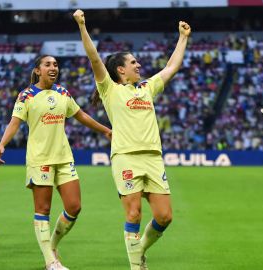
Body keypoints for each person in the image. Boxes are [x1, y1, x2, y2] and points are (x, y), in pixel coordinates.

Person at [74, 9, 191, 269]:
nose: (139, 65)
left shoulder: (147, 88)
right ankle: (136, 266)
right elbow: (94, 59)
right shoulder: (110, 89)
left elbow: (171, 67)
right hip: (126, 157)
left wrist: (182, 38)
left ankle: (139, 250)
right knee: (134, 213)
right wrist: (82, 26)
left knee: (165, 216)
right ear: (120, 70)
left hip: (153, 158)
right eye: (134, 62)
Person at [0, 55, 111, 270]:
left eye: (55, 65)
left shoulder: (62, 92)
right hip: (40, 159)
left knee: (74, 207)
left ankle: (53, 247)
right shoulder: (27, 95)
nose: (53, 68)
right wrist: (3, 143)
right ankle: (50, 262)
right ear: (37, 70)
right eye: (47, 64)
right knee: (43, 210)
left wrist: (105, 130)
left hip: (64, 158)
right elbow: (15, 122)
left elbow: (81, 115)